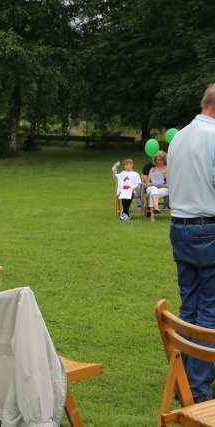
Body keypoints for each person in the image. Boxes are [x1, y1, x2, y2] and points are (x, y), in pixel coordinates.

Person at [167, 83, 215, 403]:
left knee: (190, 306)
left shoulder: (179, 137)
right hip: (207, 228)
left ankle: (183, 380)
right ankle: (197, 388)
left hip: (180, 226)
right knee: (211, 309)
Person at [146, 150, 168, 221]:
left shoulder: (168, 168)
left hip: (164, 188)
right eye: (157, 160)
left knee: (154, 192)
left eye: (161, 160)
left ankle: (152, 215)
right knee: (153, 189)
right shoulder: (152, 169)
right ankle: (156, 207)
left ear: (164, 160)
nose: (159, 161)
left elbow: (171, 183)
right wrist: (151, 184)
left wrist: (163, 184)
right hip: (152, 187)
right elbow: (147, 183)